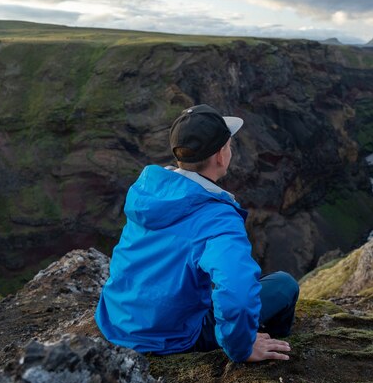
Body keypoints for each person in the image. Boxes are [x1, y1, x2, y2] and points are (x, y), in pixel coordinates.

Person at [95, 104, 299, 362]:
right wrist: (242, 347)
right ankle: (268, 345)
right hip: (170, 337)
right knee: (283, 285)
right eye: (228, 145)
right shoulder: (217, 219)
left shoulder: (148, 190)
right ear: (220, 157)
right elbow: (237, 293)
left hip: (117, 322)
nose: (230, 150)